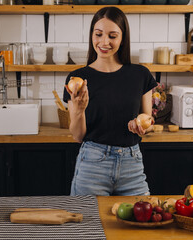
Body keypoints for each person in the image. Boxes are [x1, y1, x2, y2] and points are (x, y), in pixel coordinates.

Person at [63, 6, 157, 196]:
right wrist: (80, 111)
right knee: (87, 224)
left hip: (132, 165)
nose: (104, 42)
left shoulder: (140, 75)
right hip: (92, 164)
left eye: (112, 36)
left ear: (122, 39)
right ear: (92, 36)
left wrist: (142, 125)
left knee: (144, 220)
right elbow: (77, 136)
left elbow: (149, 120)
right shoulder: (77, 79)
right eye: (98, 34)